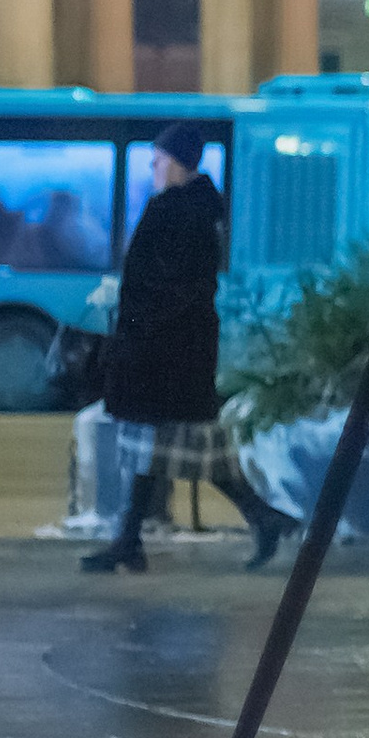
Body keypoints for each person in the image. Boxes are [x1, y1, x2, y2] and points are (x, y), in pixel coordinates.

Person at [85, 129, 285, 574]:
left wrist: (138, 330)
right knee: (157, 448)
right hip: (175, 350)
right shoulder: (194, 210)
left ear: (177, 162)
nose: (153, 169)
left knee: (188, 449)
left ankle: (263, 517)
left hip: (164, 352)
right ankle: (129, 540)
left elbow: (167, 286)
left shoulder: (177, 212)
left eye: (157, 161)